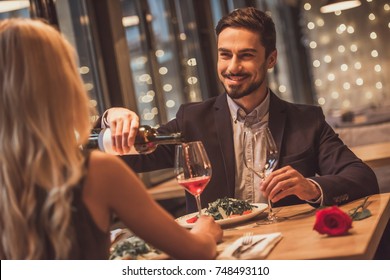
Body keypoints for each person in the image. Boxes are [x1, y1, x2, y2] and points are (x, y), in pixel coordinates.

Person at [101, 7, 379, 213]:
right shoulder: (192, 120)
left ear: (271, 59)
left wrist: (310, 187)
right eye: (225, 55)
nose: (232, 67)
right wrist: (109, 119)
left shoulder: (307, 120)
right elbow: (125, 157)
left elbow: (362, 178)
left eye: (245, 55)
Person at [0, 18, 222, 260]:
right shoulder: (97, 171)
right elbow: (196, 251)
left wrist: (108, 118)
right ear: (61, 84)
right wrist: (205, 231)